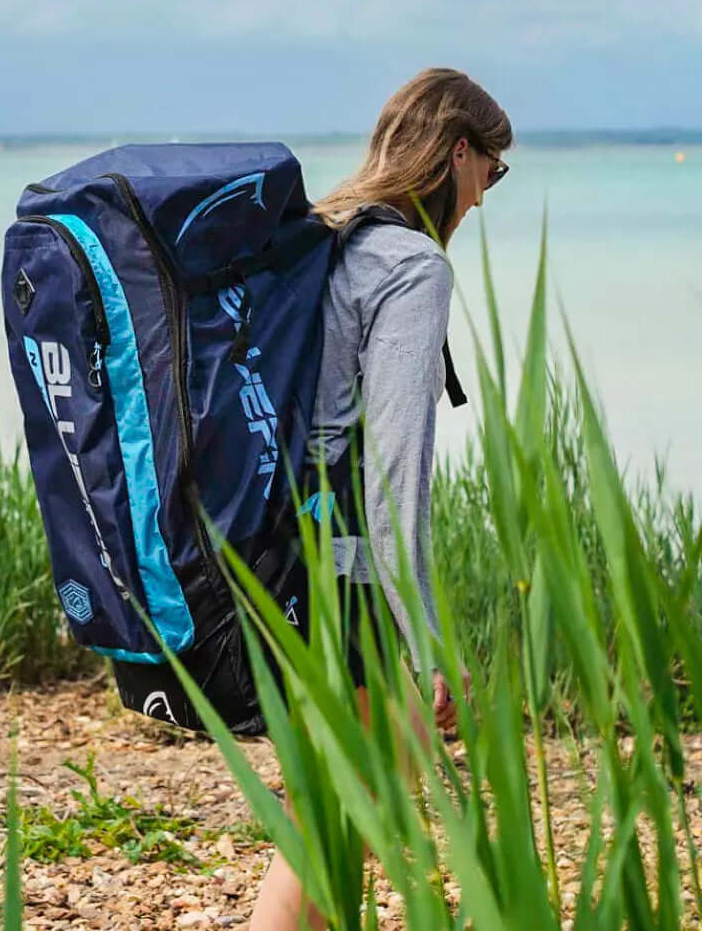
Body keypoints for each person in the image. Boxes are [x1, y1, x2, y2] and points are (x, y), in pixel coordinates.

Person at [248, 67, 513, 930]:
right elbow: (396, 473)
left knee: (365, 797)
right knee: (342, 818)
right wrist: (429, 640)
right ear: (459, 154)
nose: (485, 197)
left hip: (278, 552)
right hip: (344, 577)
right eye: (492, 172)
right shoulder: (409, 265)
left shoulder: (327, 234)